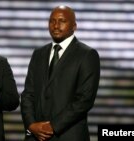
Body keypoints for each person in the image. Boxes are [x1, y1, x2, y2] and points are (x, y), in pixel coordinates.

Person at [21, 5, 100, 141]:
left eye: (62, 21)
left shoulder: (87, 55)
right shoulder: (38, 54)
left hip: (68, 136)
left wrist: (52, 126)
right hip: (35, 136)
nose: (56, 25)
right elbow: (28, 93)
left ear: (74, 26)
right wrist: (31, 124)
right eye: (52, 21)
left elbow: (84, 99)